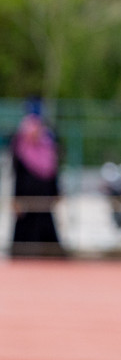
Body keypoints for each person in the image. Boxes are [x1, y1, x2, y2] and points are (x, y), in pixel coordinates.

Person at [10, 98, 63, 258]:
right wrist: (16, 199)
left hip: (44, 199)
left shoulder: (48, 142)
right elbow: (17, 174)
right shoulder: (20, 145)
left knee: (47, 237)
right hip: (26, 200)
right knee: (25, 238)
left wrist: (57, 191)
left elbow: (53, 170)